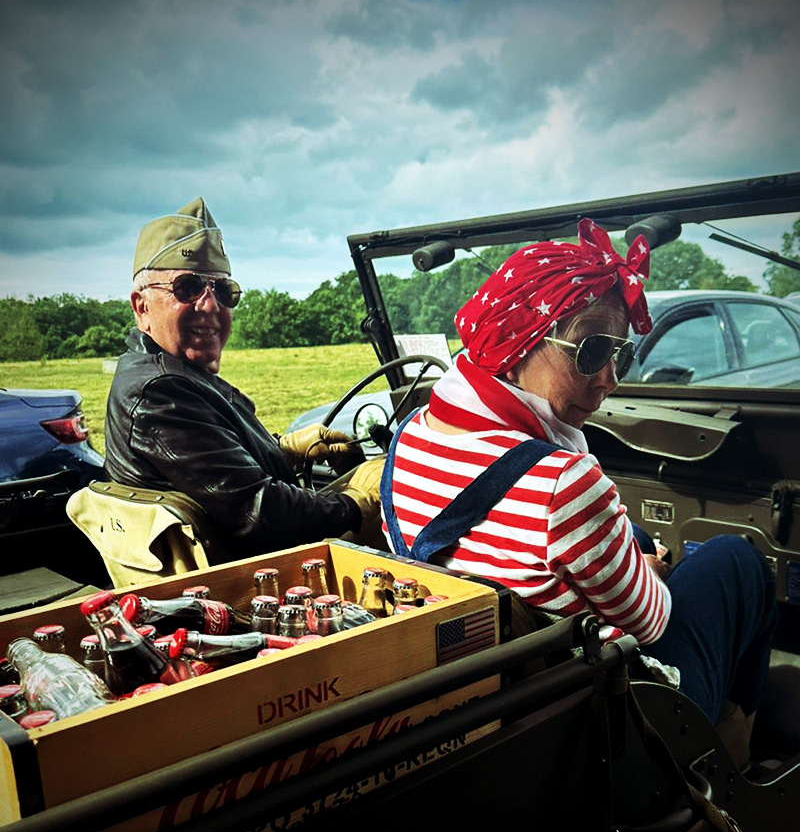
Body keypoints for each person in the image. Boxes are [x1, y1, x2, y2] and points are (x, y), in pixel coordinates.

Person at [381, 219, 777, 726]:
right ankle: (732, 745)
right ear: (516, 343)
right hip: (608, 718)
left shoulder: (410, 434)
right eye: (591, 351)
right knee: (737, 559)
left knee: (631, 536)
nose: (609, 380)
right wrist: (652, 575)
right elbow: (652, 622)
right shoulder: (563, 482)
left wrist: (629, 556)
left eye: (620, 354)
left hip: (512, 689)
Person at [105, 197, 382, 556]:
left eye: (224, 291)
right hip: (256, 573)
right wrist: (357, 502)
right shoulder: (160, 393)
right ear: (141, 307)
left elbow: (213, 474)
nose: (210, 305)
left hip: (253, 558)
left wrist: (284, 450)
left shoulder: (169, 375)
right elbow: (258, 513)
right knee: (396, 494)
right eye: (187, 287)